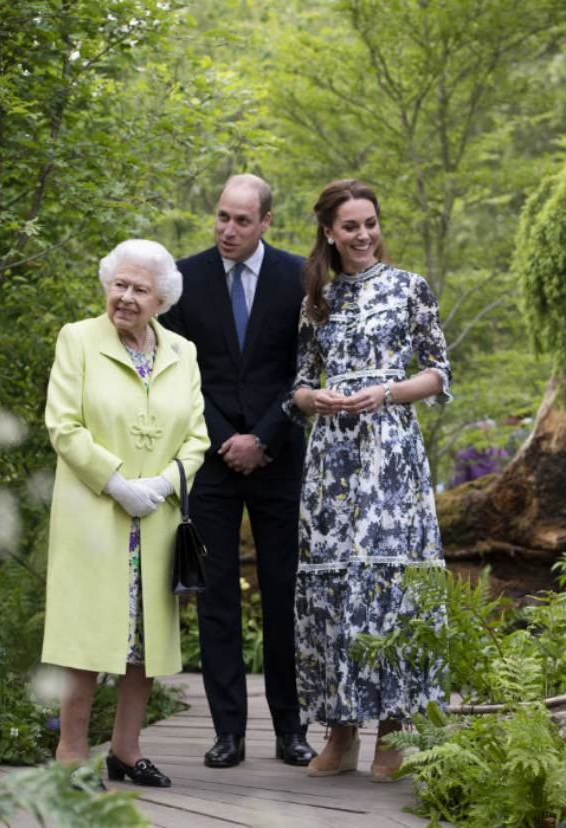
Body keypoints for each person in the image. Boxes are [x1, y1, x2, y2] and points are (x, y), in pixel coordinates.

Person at [285, 179, 451, 781]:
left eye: (371, 223)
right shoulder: (317, 299)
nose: (363, 235)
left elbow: (437, 372)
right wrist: (315, 398)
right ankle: (341, 732)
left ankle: (392, 731)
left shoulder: (410, 289)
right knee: (334, 587)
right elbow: (298, 385)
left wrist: (385, 392)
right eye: (351, 226)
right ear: (329, 231)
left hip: (391, 455)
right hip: (332, 462)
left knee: (390, 582)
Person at [160, 174, 316, 768]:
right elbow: (178, 373)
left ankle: (290, 731)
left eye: (242, 221)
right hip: (213, 462)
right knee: (216, 598)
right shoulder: (184, 278)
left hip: (280, 458)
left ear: (267, 223)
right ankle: (228, 733)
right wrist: (230, 440)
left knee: (283, 596)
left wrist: (267, 435)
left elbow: (306, 366)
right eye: (222, 217)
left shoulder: (300, 277)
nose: (228, 230)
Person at [42, 239, 209, 789]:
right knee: (84, 639)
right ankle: (70, 753)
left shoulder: (182, 352)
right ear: (107, 285)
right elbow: (64, 425)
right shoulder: (79, 340)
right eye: (120, 284)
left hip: (156, 520)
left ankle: (125, 749)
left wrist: (163, 484)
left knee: (143, 642)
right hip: (96, 514)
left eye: (140, 289)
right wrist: (116, 482)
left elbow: (197, 436)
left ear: (161, 298)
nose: (126, 297)